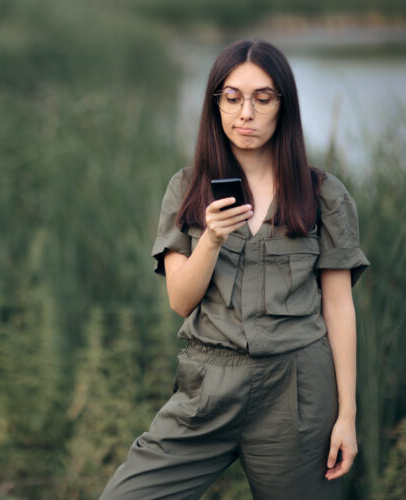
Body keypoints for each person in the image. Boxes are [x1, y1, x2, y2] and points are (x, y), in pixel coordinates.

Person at [99, 39, 370, 500]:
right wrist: (212, 238)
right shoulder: (186, 189)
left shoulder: (324, 194)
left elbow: (339, 308)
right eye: (232, 97)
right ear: (217, 106)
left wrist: (346, 415)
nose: (246, 112)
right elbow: (181, 300)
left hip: (298, 390)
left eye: (262, 98)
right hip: (208, 384)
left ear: (283, 106)